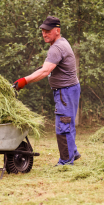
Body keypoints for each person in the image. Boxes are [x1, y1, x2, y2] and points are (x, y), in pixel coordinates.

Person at [13, 16, 81, 166]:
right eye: (43, 31)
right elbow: (48, 68)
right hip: (70, 90)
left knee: (63, 125)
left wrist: (23, 81)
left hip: (66, 91)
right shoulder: (61, 43)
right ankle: (73, 152)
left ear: (57, 30)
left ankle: (66, 162)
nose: (44, 34)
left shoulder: (56, 47)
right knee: (67, 122)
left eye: (48, 31)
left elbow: (45, 71)